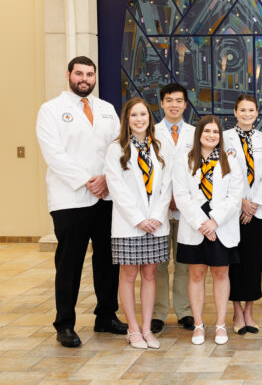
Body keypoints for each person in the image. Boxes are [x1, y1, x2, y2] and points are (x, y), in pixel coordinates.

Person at [36, 56, 127, 348]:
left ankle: (106, 316)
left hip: (106, 196)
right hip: (70, 198)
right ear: (68, 75)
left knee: (107, 261)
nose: (85, 79)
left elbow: (118, 147)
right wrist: (90, 180)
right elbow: (54, 155)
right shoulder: (51, 110)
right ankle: (65, 324)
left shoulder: (106, 109)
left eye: (89, 74)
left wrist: (106, 179)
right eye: (79, 74)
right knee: (69, 263)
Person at [105, 98, 172, 349]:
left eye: (143, 114)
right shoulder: (116, 149)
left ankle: (147, 328)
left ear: (149, 118)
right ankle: (132, 329)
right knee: (129, 274)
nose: (139, 119)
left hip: (155, 223)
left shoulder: (159, 147)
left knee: (150, 273)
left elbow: (166, 186)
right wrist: (138, 219)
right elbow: (117, 188)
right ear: (127, 119)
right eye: (134, 115)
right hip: (128, 224)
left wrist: (155, 216)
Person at [173, 116, 243, 345]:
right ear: (199, 134)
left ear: (220, 136)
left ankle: (221, 324)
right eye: (207, 131)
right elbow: (181, 196)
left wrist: (214, 221)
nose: (211, 135)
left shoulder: (229, 160)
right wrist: (202, 223)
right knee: (196, 275)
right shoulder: (185, 159)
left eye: (216, 132)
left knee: (221, 274)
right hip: (195, 224)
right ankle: (199, 325)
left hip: (221, 224)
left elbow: (234, 197)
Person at [224, 94, 262, 334]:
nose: (247, 114)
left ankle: (249, 311)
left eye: (251, 110)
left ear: (257, 113)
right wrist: (241, 202)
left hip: (258, 211)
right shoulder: (223, 139)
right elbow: (222, 175)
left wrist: (253, 204)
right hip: (233, 211)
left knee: (254, 263)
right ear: (235, 112)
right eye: (242, 110)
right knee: (235, 263)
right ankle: (236, 312)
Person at [152, 83, 195, 333]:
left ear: (185, 104)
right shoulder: (151, 132)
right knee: (158, 263)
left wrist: (182, 198)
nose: (174, 105)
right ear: (162, 103)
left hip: (186, 209)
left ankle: (184, 311)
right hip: (159, 209)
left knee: (183, 263)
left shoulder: (194, 132)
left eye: (179, 100)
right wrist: (166, 197)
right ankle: (158, 312)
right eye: (169, 100)